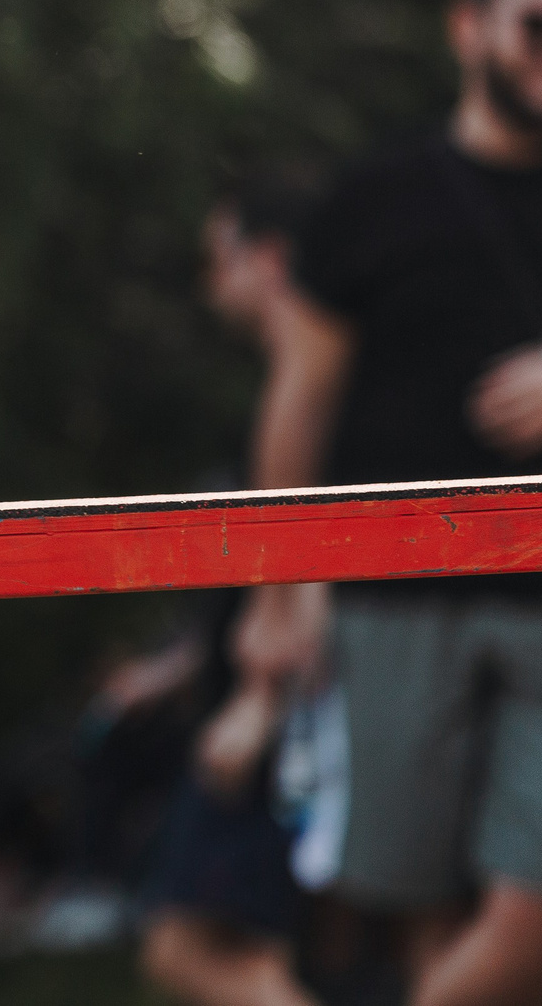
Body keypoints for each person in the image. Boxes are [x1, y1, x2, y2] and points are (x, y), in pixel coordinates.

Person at [239, 0, 542, 1006]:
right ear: (469, 28)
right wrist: (277, 591)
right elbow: (299, 395)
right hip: (392, 598)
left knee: (530, 922)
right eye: (536, 25)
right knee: (409, 901)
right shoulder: (373, 199)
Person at [138, 176, 329, 1006]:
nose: (212, 279)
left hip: (280, 711)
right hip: (267, 700)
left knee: (189, 948)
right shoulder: (292, 379)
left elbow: (323, 539)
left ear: (272, 258)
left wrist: (261, 695)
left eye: (222, 256)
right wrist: (181, 666)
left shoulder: (317, 383)